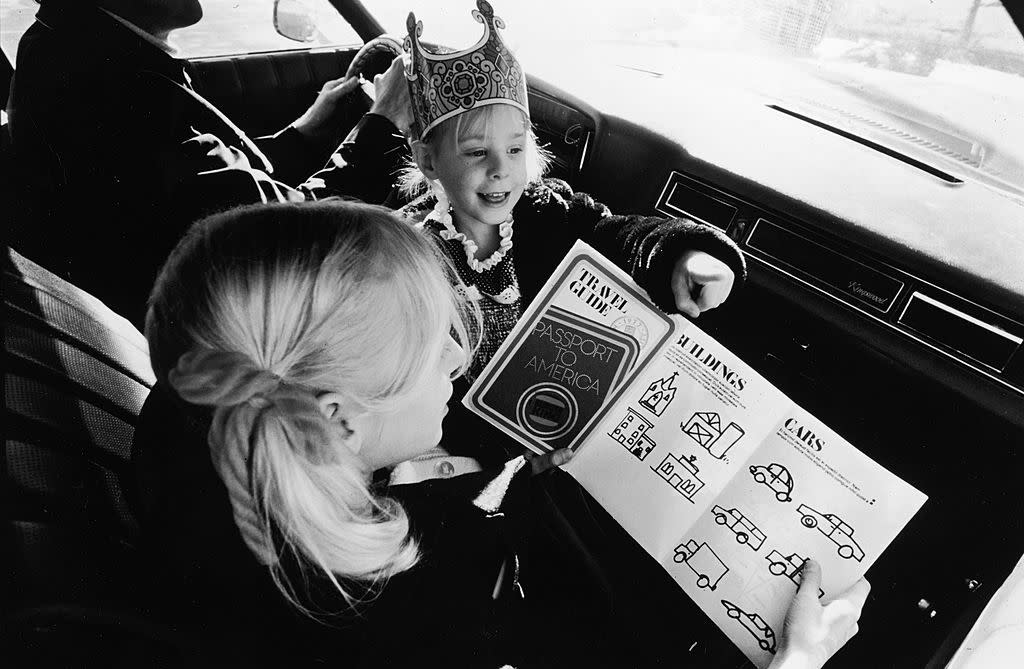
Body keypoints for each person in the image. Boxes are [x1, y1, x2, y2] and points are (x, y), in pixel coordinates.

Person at [134, 198, 869, 668]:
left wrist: (505, 483)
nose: (460, 357)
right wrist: (799, 660)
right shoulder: (400, 626)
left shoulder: (209, 409)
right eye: (433, 351)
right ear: (336, 420)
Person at [394, 0, 745, 470]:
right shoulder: (407, 253)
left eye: (515, 148)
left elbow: (616, 234)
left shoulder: (546, 213)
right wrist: (506, 465)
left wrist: (683, 255)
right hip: (474, 455)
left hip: (575, 424)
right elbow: (412, 392)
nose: (501, 170)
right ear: (428, 160)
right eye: (478, 152)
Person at [6, 0, 410, 325]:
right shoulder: (119, 97)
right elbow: (301, 229)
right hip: (227, 313)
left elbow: (222, 183)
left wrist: (305, 131)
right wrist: (383, 121)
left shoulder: (68, 48)